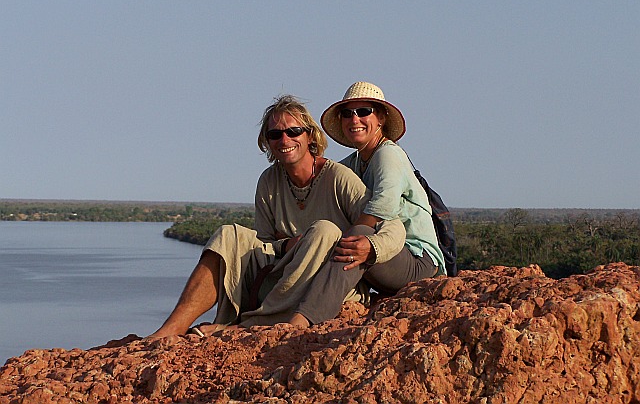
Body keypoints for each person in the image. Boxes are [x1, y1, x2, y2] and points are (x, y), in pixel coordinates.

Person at [150, 94, 404, 337]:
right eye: (275, 134)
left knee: (325, 231)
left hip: (323, 286)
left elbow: (391, 224)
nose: (285, 140)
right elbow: (265, 242)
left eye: (293, 132)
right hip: (283, 276)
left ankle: (252, 324)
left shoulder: (338, 177)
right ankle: (173, 327)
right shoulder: (269, 180)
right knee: (229, 234)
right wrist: (288, 244)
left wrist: (371, 247)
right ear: (267, 142)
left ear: (310, 136)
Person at [288, 81, 446, 328]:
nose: (355, 119)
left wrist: (345, 239)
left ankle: (304, 318)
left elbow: (383, 206)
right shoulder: (354, 163)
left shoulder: (388, 154)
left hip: (416, 259)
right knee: (328, 237)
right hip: (386, 260)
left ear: (381, 117)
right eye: (347, 113)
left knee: (357, 236)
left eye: (363, 112)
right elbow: (327, 187)